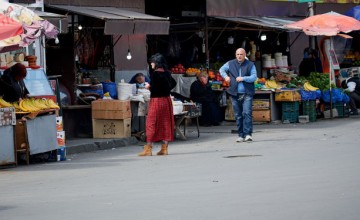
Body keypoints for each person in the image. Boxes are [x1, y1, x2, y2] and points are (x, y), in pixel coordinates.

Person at [138, 53, 177, 156]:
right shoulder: (167, 73)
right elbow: (174, 83)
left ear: (157, 63)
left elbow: (154, 88)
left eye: (152, 62)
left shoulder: (155, 74)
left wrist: (148, 86)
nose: (151, 64)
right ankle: (164, 148)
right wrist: (166, 88)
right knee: (165, 124)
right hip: (167, 101)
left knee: (151, 123)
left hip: (156, 101)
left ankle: (148, 149)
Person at [219, 48, 257, 142]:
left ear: (245, 55)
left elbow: (254, 77)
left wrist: (243, 78)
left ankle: (248, 134)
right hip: (234, 93)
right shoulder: (230, 63)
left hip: (247, 93)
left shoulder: (250, 64)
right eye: (237, 54)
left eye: (241, 54)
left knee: (247, 113)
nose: (239, 56)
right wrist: (226, 77)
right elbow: (221, 70)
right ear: (235, 55)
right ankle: (241, 135)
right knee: (238, 115)